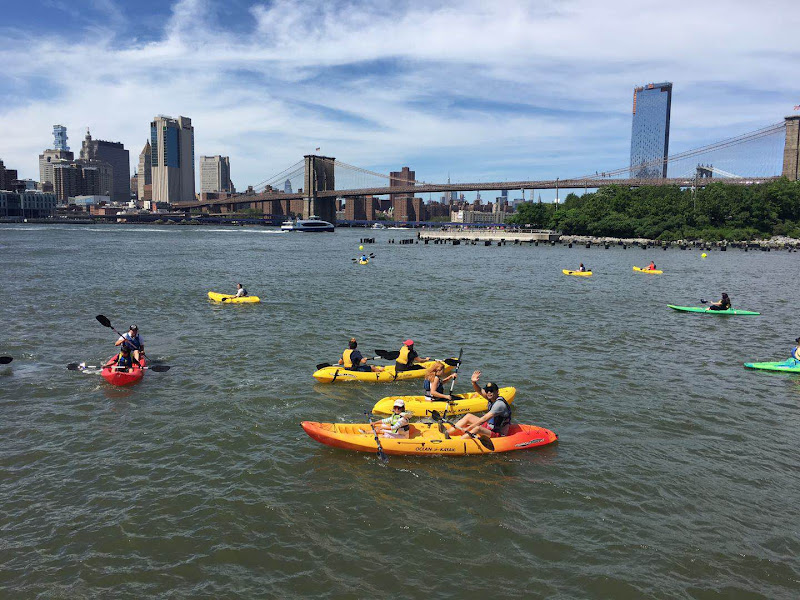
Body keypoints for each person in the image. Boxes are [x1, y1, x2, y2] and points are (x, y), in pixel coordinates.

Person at [447, 371, 512, 439]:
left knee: (477, 428)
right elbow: (479, 390)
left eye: (491, 390)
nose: (489, 392)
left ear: (497, 392)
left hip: (498, 433)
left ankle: (460, 441)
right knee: (468, 416)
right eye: (487, 390)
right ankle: (447, 433)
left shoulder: (499, 404)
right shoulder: (491, 398)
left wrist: (469, 428)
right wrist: (473, 382)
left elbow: (484, 419)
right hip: (489, 427)